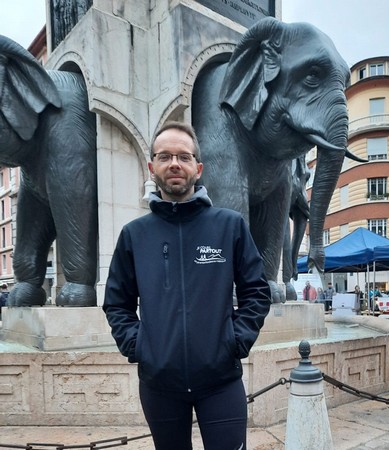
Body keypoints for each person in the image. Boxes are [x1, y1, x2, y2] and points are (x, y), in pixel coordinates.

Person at [103, 121, 271, 450]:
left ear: (198, 167)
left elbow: (256, 292)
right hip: (159, 384)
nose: (175, 164)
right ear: (152, 167)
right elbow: (116, 303)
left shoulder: (230, 226)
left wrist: (235, 341)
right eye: (165, 157)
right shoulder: (134, 235)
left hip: (220, 381)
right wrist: (139, 346)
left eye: (184, 156)